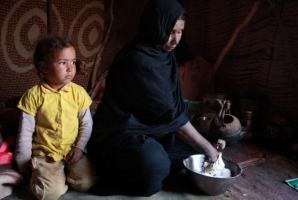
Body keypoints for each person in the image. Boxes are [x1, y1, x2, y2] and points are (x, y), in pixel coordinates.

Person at [88, 0, 219, 196]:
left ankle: (160, 160)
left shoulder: (164, 56)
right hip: (123, 132)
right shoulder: (138, 61)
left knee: (209, 140)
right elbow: (170, 115)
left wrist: (203, 109)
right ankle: (154, 164)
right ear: (155, 26)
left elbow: (170, 105)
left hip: (155, 129)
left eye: (180, 31)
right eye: (171, 31)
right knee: (154, 166)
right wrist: (209, 150)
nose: (176, 40)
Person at [14, 35, 98, 200]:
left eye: (73, 62)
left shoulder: (78, 93)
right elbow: (24, 132)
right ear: (43, 67)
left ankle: (67, 173)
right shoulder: (33, 95)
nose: (70, 68)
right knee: (48, 193)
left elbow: (86, 123)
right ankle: (50, 176)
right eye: (62, 63)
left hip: (72, 150)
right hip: (46, 153)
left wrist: (80, 148)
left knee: (85, 183)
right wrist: (23, 164)